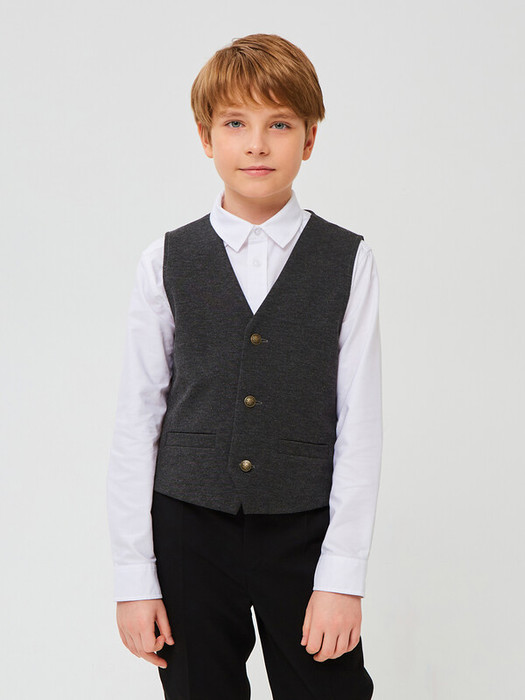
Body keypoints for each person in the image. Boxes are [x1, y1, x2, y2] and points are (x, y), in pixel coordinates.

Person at [106, 32, 382, 700]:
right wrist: (134, 578)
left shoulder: (347, 259)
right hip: (188, 526)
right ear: (206, 137)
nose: (256, 145)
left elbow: (361, 421)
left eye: (278, 125)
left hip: (302, 527)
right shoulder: (165, 259)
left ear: (309, 139)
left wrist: (342, 576)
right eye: (235, 124)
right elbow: (137, 418)